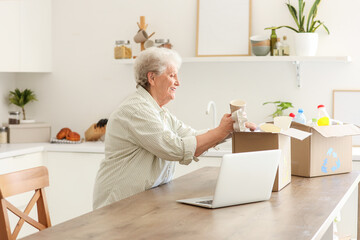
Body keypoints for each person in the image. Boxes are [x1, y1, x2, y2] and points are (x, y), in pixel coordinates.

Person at [93, 47, 256, 209]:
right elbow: (176, 148)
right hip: (117, 207)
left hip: (141, 203)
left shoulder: (159, 112)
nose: (178, 82)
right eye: (172, 75)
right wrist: (222, 131)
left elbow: (190, 136)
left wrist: (230, 129)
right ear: (152, 78)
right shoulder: (136, 110)